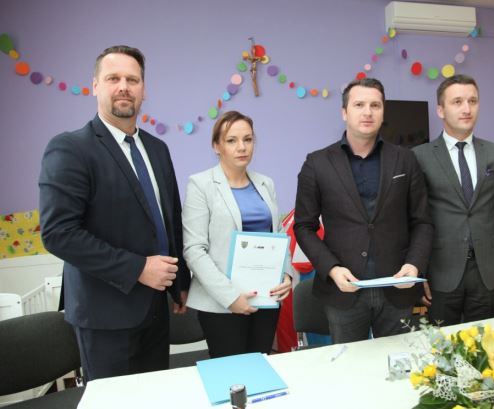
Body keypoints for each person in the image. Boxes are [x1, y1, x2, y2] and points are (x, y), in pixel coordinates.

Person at [39, 45, 190, 381]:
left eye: (132, 80)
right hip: (104, 315)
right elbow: (58, 233)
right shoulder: (70, 148)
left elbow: (170, 221)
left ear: (143, 89)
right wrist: (138, 268)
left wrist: (180, 280)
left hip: (156, 308)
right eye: (113, 78)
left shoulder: (158, 149)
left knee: (154, 398)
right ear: (95, 86)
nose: (124, 86)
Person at [294, 77, 433, 343]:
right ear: (344, 112)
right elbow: (304, 226)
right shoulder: (317, 163)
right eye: (359, 105)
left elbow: (422, 221)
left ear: (383, 112)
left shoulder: (405, 159)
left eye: (375, 105)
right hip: (343, 289)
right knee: (349, 365)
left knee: (397, 362)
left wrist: (414, 264)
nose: (367, 112)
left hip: (397, 287)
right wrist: (332, 269)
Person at [412, 74, 494, 326]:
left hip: (488, 273)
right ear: (441, 110)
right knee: (442, 345)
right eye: (457, 102)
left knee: (485, 344)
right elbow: (413, 219)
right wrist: (418, 272)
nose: (466, 109)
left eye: (472, 101)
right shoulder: (419, 156)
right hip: (440, 273)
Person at [183, 111, 292, 358]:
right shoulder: (200, 184)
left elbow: (278, 235)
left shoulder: (266, 183)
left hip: (265, 298)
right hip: (222, 304)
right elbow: (194, 250)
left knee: (261, 366)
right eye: (231, 140)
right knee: (231, 375)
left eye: (248, 139)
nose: (242, 147)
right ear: (216, 146)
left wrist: (286, 274)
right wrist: (230, 297)